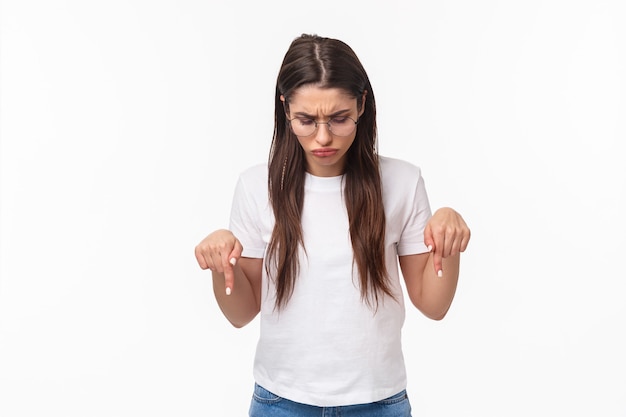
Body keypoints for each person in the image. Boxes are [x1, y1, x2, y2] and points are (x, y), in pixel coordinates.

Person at [194, 33, 470, 417]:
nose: (323, 137)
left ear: (361, 105)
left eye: (339, 118)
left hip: (378, 402)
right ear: (284, 108)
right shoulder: (256, 187)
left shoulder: (402, 182)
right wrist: (221, 264)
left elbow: (433, 304)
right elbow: (241, 313)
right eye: (306, 120)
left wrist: (447, 239)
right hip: (281, 402)